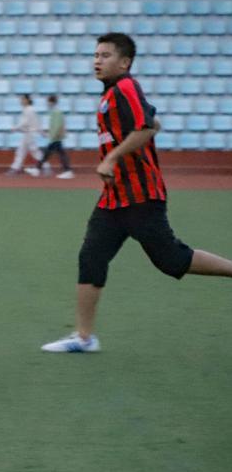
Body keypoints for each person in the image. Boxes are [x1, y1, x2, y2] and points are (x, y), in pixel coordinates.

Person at [41, 32, 232, 353]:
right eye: (96, 55)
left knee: (171, 259)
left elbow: (144, 127)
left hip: (140, 196)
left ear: (125, 62)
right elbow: (153, 121)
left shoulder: (125, 87)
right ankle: (84, 337)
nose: (97, 60)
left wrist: (113, 157)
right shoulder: (113, 93)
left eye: (105, 55)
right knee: (92, 256)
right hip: (115, 198)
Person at [25, 95, 74, 179]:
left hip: (55, 138)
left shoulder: (56, 112)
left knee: (53, 154)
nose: (47, 103)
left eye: (48, 101)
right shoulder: (55, 111)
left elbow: (57, 125)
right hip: (55, 137)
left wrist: (52, 136)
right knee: (49, 154)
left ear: (51, 102)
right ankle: (37, 169)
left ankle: (67, 171)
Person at [6, 93, 42, 175]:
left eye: (23, 99)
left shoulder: (29, 110)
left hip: (30, 133)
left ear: (27, 100)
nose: (21, 101)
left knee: (34, 151)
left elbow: (25, 122)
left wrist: (15, 128)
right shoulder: (28, 109)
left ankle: (44, 166)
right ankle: (15, 168)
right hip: (28, 133)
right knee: (22, 151)